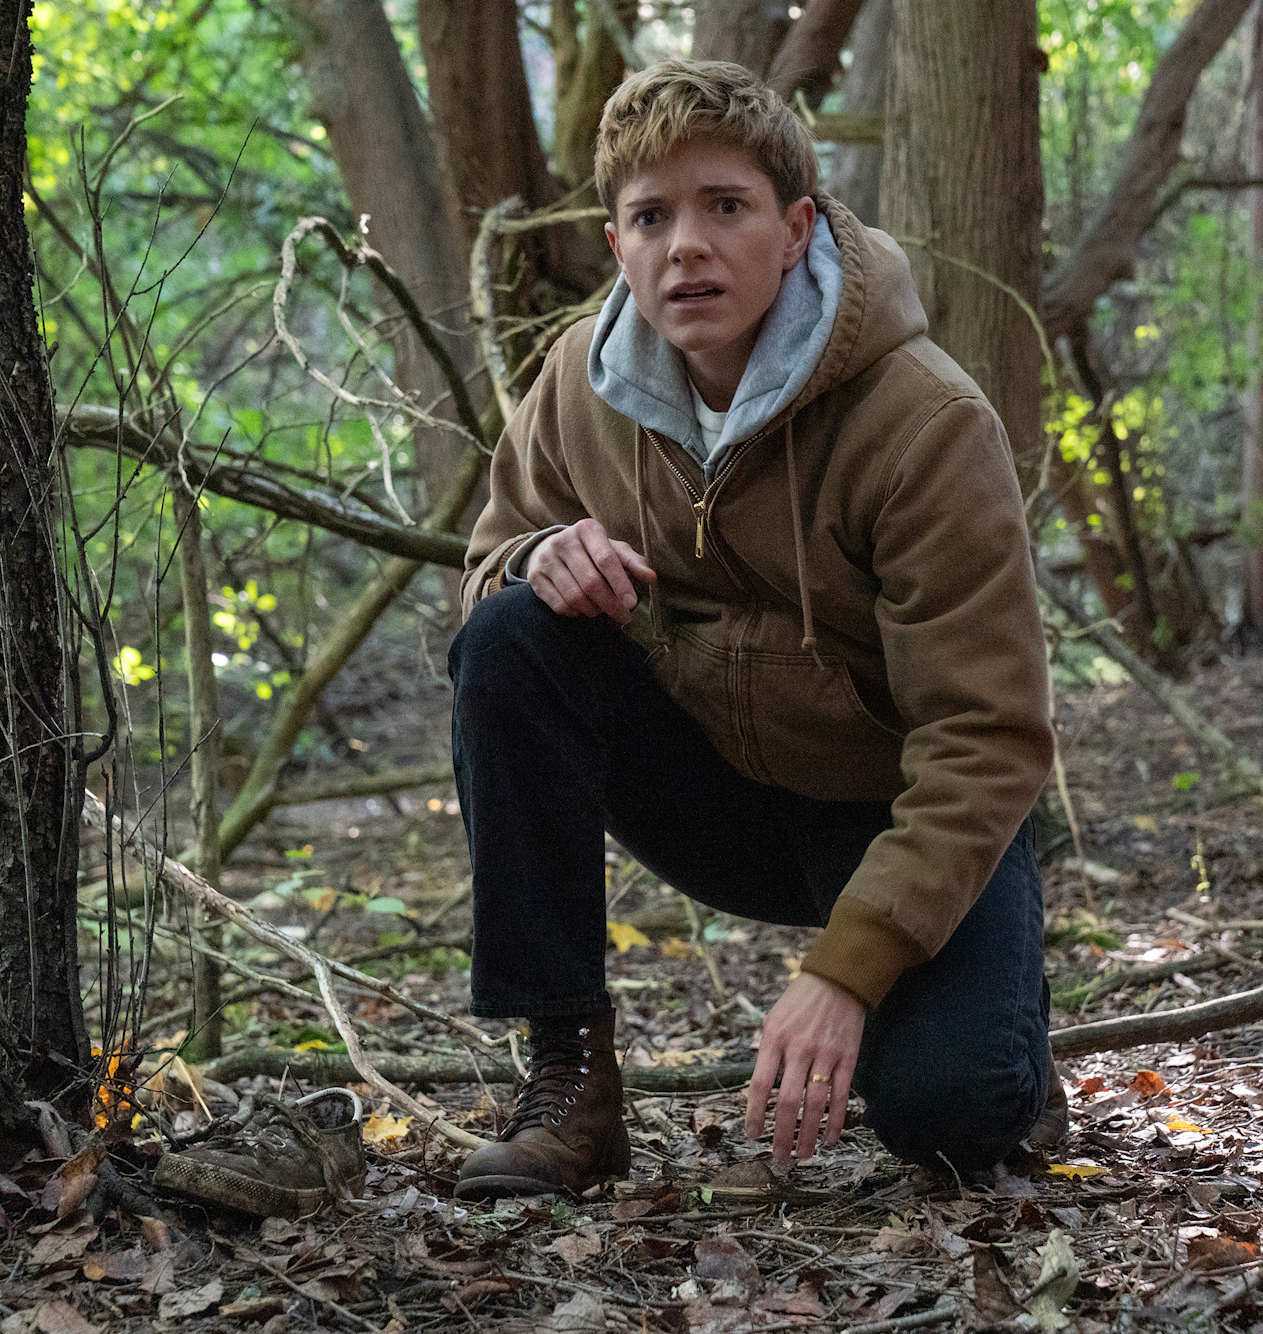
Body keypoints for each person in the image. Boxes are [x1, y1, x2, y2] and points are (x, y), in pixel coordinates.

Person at [447, 58, 1061, 1200]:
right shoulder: (578, 385)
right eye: (650, 218)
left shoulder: (924, 421)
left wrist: (843, 973)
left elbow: (989, 736)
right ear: (618, 245)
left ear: (794, 229)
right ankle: (570, 1082)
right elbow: (485, 569)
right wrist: (536, 558)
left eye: (724, 206)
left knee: (950, 1114)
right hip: (709, 790)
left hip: (893, 802)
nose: (686, 246)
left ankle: (1009, 1028)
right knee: (510, 640)